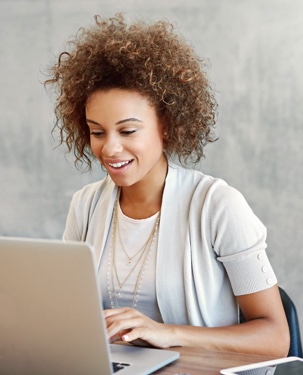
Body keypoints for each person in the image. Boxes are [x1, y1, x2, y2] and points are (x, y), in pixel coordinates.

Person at [44, 13, 289, 356]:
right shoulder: (85, 205)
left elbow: (276, 337)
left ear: (167, 126)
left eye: (128, 131)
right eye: (97, 132)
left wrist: (167, 333)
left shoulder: (217, 205)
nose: (110, 148)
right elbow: (68, 314)